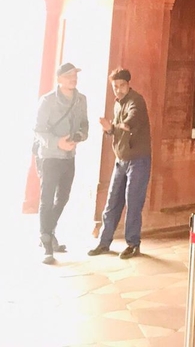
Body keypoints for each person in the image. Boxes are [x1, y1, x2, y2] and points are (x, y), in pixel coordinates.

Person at [88, 67, 151, 259]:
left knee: (133, 203)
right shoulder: (117, 104)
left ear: (128, 84)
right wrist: (109, 130)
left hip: (138, 161)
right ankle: (104, 242)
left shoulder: (136, 101)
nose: (118, 89)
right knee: (112, 202)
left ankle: (133, 244)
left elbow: (129, 122)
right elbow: (116, 131)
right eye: (115, 86)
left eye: (121, 85)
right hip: (121, 160)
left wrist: (113, 127)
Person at [33, 62, 89, 265]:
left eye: (74, 75)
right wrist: (58, 142)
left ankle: (47, 231)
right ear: (59, 79)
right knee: (46, 200)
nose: (72, 79)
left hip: (69, 157)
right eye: (68, 76)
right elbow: (38, 130)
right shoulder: (47, 101)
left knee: (63, 198)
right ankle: (46, 242)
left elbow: (85, 124)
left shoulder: (81, 100)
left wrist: (80, 136)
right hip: (49, 156)